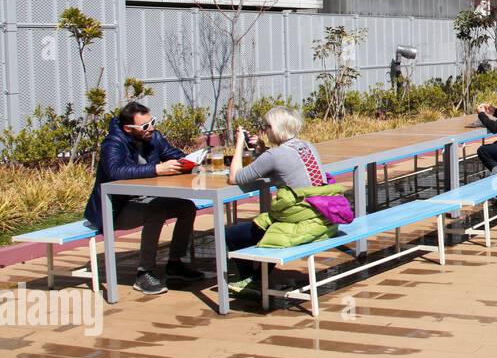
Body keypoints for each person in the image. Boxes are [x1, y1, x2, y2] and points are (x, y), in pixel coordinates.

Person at [222, 106, 349, 293]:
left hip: (303, 222)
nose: (264, 130)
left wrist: (240, 143)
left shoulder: (274, 155)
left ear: (276, 128)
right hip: (323, 216)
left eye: (266, 126)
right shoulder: (307, 146)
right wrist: (262, 150)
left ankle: (253, 281)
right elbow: (284, 167)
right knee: (270, 226)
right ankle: (257, 277)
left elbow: (235, 177)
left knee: (232, 234)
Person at [84, 101, 202, 296]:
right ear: (128, 129)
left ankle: (175, 263)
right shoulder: (113, 143)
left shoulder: (153, 137)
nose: (151, 128)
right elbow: (115, 171)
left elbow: (173, 154)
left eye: (152, 122)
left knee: (186, 207)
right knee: (155, 212)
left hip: (145, 198)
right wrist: (157, 169)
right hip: (115, 207)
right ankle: (144, 273)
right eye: (145, 126)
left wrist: (190, 161)